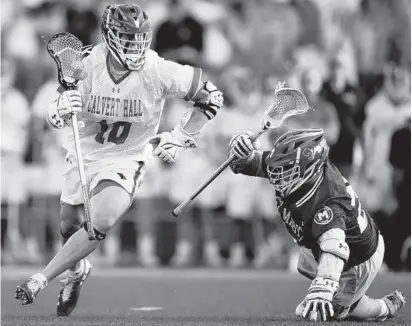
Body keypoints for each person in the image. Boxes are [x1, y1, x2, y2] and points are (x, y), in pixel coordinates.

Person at [15, 4, 223, 316]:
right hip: (84, 153)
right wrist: (59, 108)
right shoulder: (87, 64)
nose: (135, 46)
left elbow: (212, 97)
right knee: (69, 225)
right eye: (127, 38)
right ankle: (76, 272)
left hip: (128, 157)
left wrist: (178, 136)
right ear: (109, 36)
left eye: (140, 38)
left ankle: (40, 278)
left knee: (102, 218)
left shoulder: (157, 70)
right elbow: (52, 115)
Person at [227, 128, 405, 321]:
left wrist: (324, 284)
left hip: (356, 257)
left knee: (334, 311)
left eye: (287, 171)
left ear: (309, 168)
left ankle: (384, 307)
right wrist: (241, 152)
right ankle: (349, 297)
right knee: (320, 285)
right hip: (323, 243)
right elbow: (246, 165)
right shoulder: (291, 165)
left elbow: (336, 247)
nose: (278, 176)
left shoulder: (328, 202)